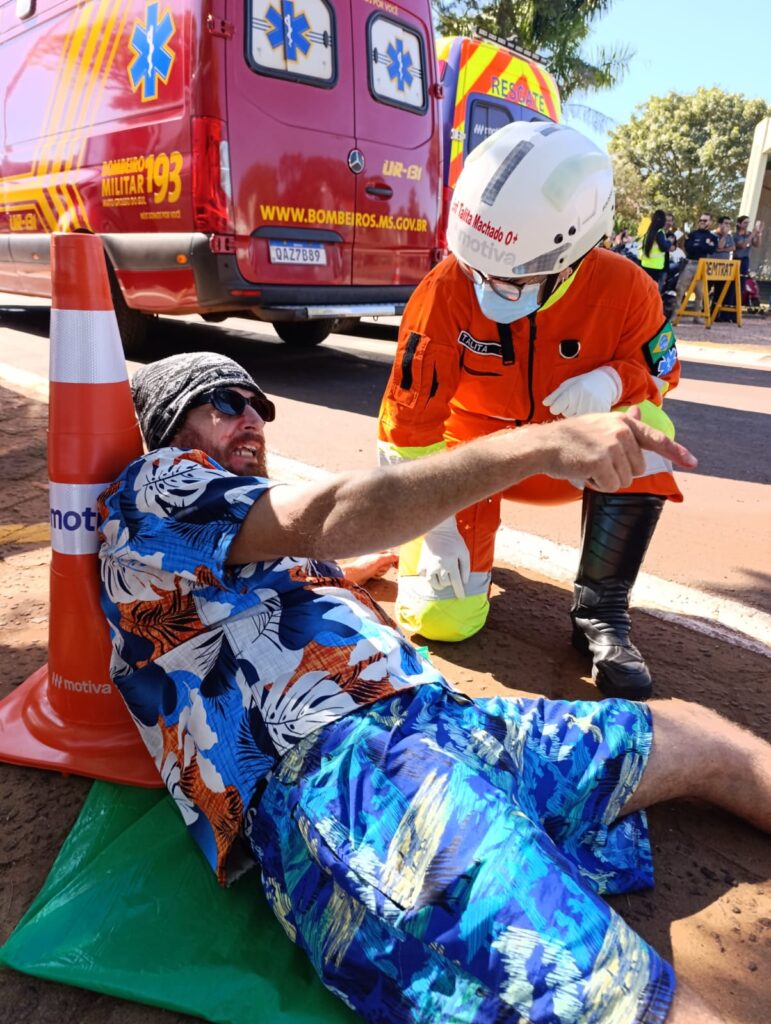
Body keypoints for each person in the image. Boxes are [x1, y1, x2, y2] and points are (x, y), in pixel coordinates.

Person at [98, 351, 771, 1024]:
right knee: (621, 1000)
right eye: (222, 403)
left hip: (449, 729)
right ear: (165, 427)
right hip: (354, 775)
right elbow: (333, 511)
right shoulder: (157, 485)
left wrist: (343, 580)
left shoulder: (234, 546)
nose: (252, 420)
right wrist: (542, 444)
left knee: (698, 736)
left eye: (258, 407)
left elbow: (266, 588)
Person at [378, 121, 682, 700]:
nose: (487, 287)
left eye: (514, 277)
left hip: (574, 454)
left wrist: (614, 379)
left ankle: (602, 610)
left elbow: (663, 372)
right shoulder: (444, 291)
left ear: (576, 250)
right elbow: (405, 429)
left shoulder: (629, 291)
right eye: (476, 268)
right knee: (443, 623)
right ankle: (458, 556)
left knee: (650, 430)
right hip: (472, 462)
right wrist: (434, 526)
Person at [675, 213, 718, 316]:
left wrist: (699, 245)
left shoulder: (712, 237)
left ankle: (697, 315)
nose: (702, 222)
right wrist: (703, 244)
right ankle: (675, 314)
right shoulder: (692, 234)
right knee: (680, 288)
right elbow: (689, 247)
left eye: (705, 220)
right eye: (701, 220)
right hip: (690, 263)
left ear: (710, 222)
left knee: (700, 292)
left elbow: (711, 249)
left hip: (702, 265)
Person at [734, 215, 764, 304]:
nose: (747, 224)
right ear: (739, 224)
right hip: (736, 260)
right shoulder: (735, 235)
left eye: (748, 222)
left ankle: (739, 302)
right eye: (745, 222)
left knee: (742, 283)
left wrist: (759, 234)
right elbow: (742, 246)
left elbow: (757, 244)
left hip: (745, 260)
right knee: (734, 283)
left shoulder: (750, 234)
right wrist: (753, 234)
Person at [639, 210, 671, 291]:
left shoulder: (649, 232)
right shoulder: (659, 232)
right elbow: (663, 247)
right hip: (655, 267)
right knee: (653, 290)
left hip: (645, 264)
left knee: (644, 288)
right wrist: (669, 242)